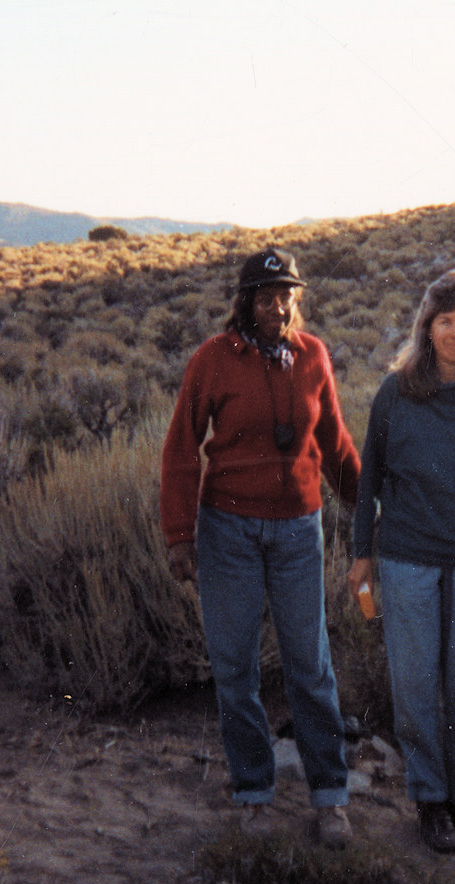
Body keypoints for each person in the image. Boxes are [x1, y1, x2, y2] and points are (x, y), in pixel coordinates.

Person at [160, 246, 359, 847]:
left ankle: (330, 796)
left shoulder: (313, 355)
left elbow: (336, 443)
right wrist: (180, 536)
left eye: (287, 297)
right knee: (235, 666)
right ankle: (254, 792)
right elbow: (180, 450)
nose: (278, 308)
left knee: (310, 663)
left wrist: (370, 508)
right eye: (266, 297)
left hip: (299, 529)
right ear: (244, 302)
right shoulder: (213, 361)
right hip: (228, 532)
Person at [347, 268, 455, 854]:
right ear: (428, 327)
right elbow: (369, 473)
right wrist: (360, 552)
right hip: (406, 556)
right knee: (416, 684)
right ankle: (429, 798)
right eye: (445, 322)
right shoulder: (398, 391)